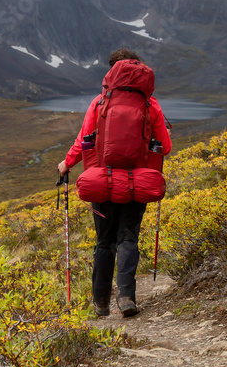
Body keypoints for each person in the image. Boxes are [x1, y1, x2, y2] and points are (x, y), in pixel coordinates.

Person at [58, 48, 172, 318]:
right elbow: (164, 147)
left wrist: (66, 163)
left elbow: (83, 139)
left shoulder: (100, 103)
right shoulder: (150, 105)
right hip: (137, 184)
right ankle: (126, 298)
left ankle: (100, 303)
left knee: (104, 241)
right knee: (128, 238)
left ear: (111, 72)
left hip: (102, 183)